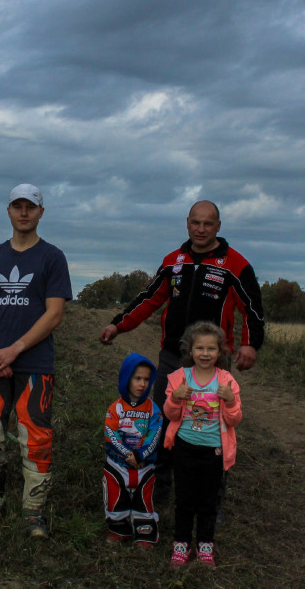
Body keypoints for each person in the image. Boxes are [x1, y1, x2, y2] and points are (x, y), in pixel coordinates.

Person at [99, 200, 263, 499]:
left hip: (213, 361)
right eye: (195, 223)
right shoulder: (174, 260)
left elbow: (252, 308)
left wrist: (250, 344)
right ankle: (160, 484)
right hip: (172, 357)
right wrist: (117, 325)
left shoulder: (236, 265)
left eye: (208, 224)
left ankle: (211, 489)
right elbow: (149, 298)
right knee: (163, 417)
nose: (201, 229)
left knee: (209, 423)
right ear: (187, 223)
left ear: (218, 227)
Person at [0, 183, 72, 538]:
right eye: (17, 206)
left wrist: (14, 350)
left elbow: (54, 314)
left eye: (31, 207)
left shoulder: (52, 257)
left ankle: (33, 512)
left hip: (35, 365)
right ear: (8, 211)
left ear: (41, 212)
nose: (24, 212)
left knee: (35, 437)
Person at [163, 322, 242, 568]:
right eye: (199, 348)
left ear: (220, 352)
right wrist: (175, 399)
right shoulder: (179, 378)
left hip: (214, 451)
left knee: (208, 501)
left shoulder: (227, 381)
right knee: (185, 499)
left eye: (211, 349)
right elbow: (170, 415)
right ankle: (181, 544)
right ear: (190, 350)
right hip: (185, 447)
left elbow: (234, 419)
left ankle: (205, 546)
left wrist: (229, 402)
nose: (205, 354)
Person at [103, 352, 162, 547]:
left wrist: (140, 454)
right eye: (137, 378)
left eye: (146, 379)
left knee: (143, 498)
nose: (142, 384)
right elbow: (111, 433)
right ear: (126, 378)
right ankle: (118, 528)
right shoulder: (116, 408)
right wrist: (127, 454)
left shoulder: (153, 409)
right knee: (116, 495)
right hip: (119, 463)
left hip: (144, 464)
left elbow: (155, 435)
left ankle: (145, 531)